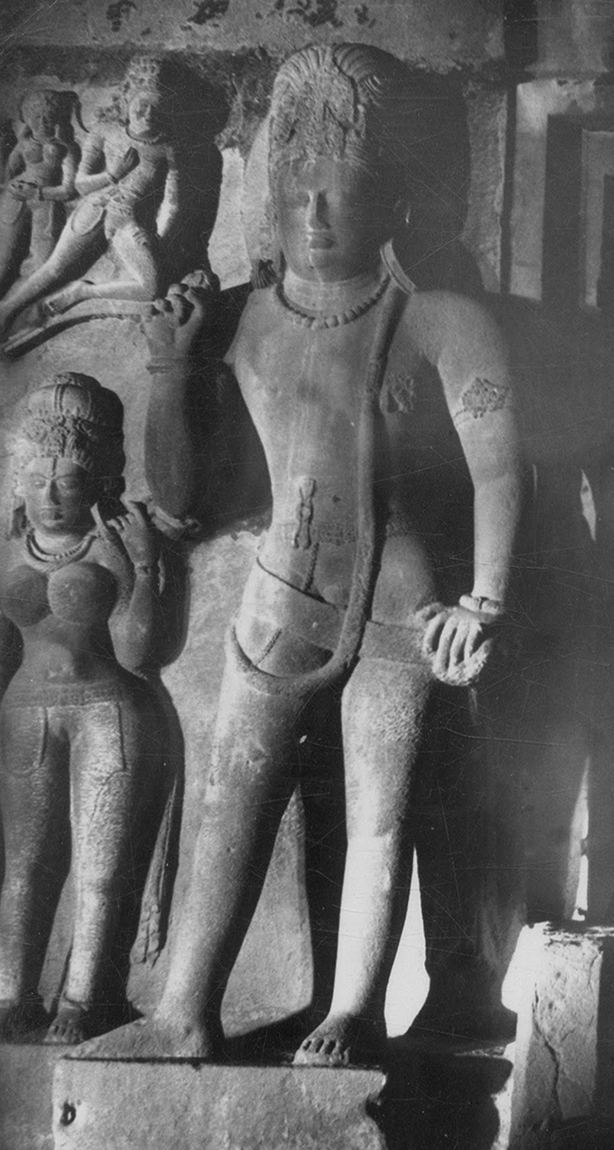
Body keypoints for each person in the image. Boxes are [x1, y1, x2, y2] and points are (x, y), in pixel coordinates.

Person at [79, 43, 522, 1068]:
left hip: (403, 605)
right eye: (295, 187)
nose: (313, 211)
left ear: (395, 202)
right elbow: (185, 500)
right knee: (230, 799)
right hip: (280, 592)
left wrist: (486, 603)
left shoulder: (443, 323)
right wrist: (172, 372)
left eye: (340, 188)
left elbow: (503, 470)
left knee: (380, 813)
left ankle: (355, 1009)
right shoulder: (243, 322)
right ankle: (185, 1006)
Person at [0, 373, 166, 1045]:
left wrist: (146, 567)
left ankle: (84, 997)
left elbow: (138, 650)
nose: (48, 495)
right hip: (24, 713)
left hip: (108, 712)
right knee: (23, 866)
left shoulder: (113, 545)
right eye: (36, 479)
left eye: (66, 482)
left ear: (98, 483)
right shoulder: (10, 547)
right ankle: (12, 994)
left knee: (99, 867)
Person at [0, 58, 182, 337]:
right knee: (54, 269)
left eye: (156, 108)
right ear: (127, 103)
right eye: (142, 106)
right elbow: (81, 184)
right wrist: (112, 175)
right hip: (94, 209)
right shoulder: (105, 132)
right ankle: (6, 310)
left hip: (128, 223)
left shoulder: (167, 149)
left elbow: (173, 201)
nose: (147, 114)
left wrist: (159, 235)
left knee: (151, 288)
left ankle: (82, 292)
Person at [0, 90, 80, 298]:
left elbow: (69, 190)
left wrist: (37, 192)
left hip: (48, 201)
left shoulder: (68, 149)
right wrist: (10, 188)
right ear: (27, 118)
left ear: (58, 118)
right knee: (4, 256)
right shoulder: (24, 143)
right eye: (36, 117)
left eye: (49, 117)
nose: (43, 122)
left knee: (41, 264)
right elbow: (9, 171)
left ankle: (14, 307)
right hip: (16, 196)